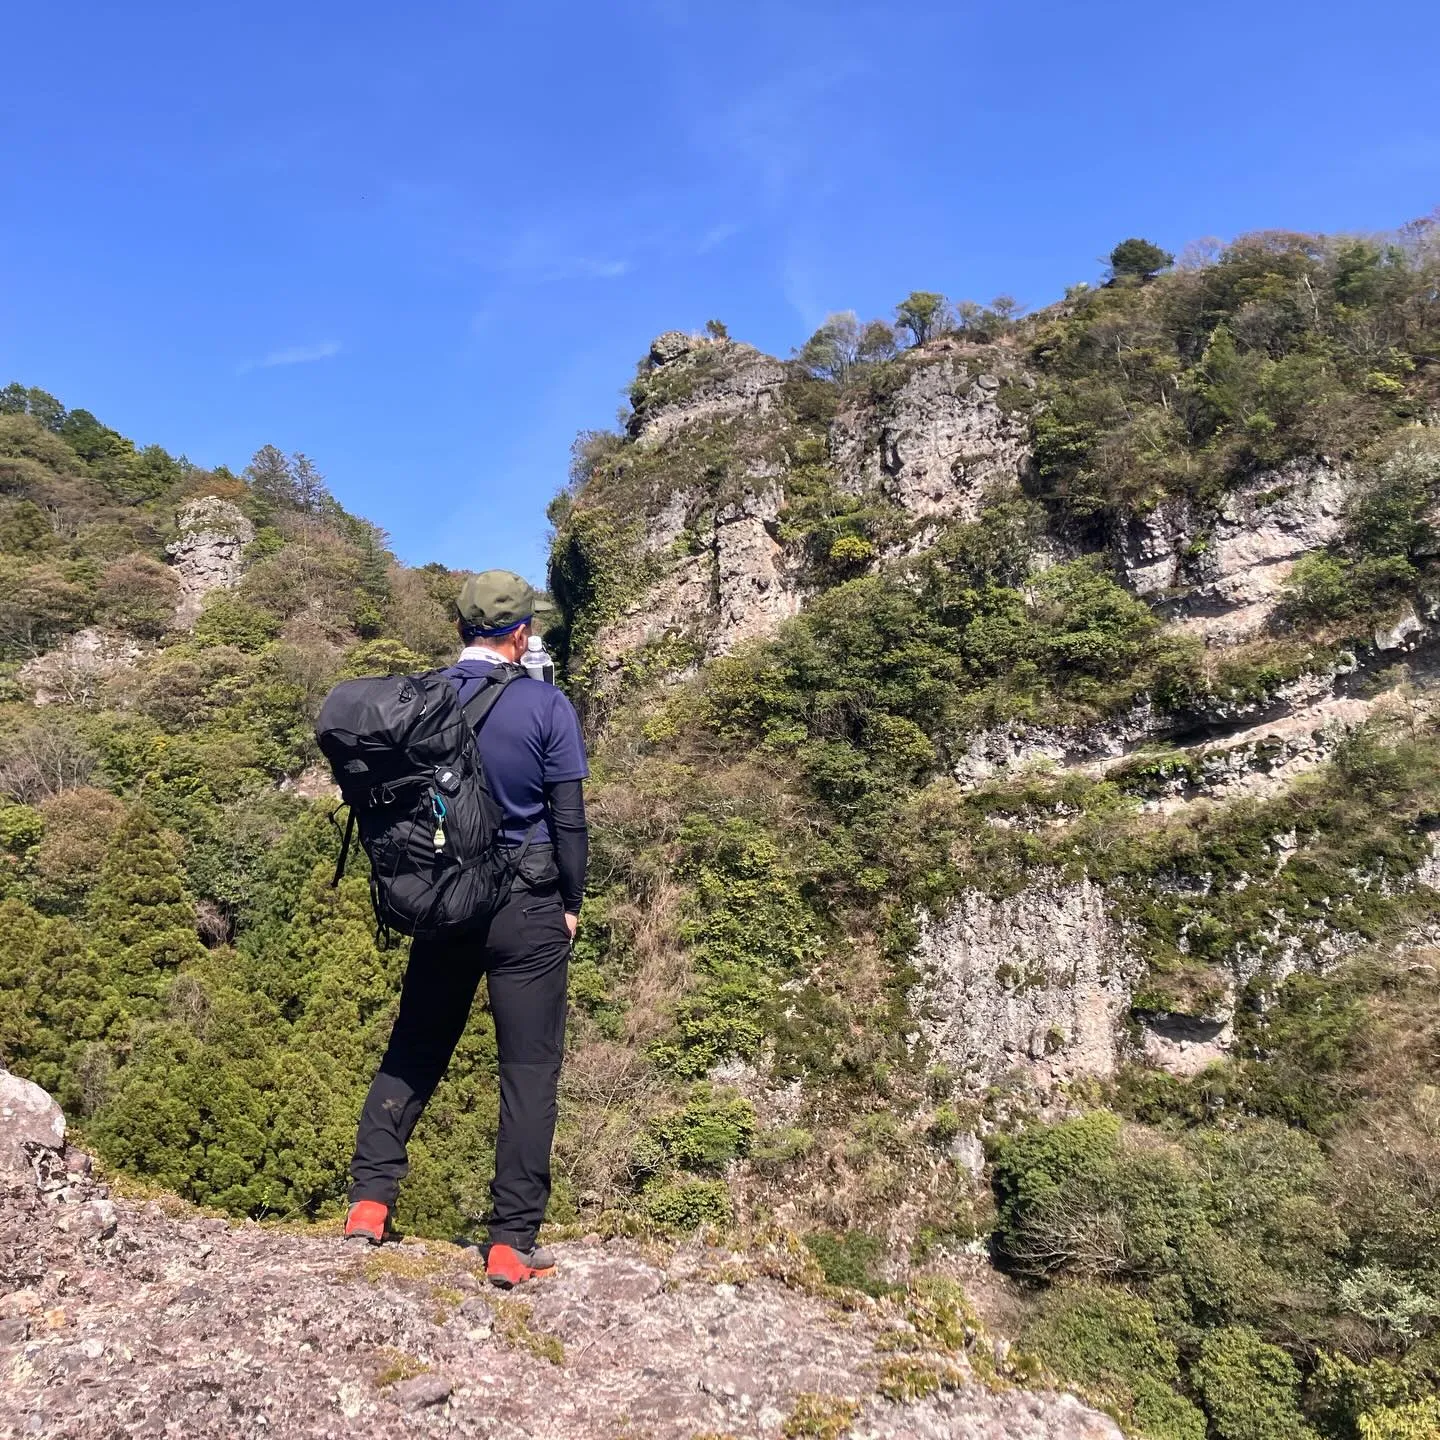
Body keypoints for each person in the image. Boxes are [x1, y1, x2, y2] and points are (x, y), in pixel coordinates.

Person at [343, 570, 588, 1288]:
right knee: (528, 1069)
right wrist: (571, 901)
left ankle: (369, 1202)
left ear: (460, 629)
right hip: (529, 904)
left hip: (445, 900)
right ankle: (511, 1244)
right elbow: (568, 819)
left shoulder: (420, 700)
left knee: (417, 1045)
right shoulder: (546, 706)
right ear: (524, 633)